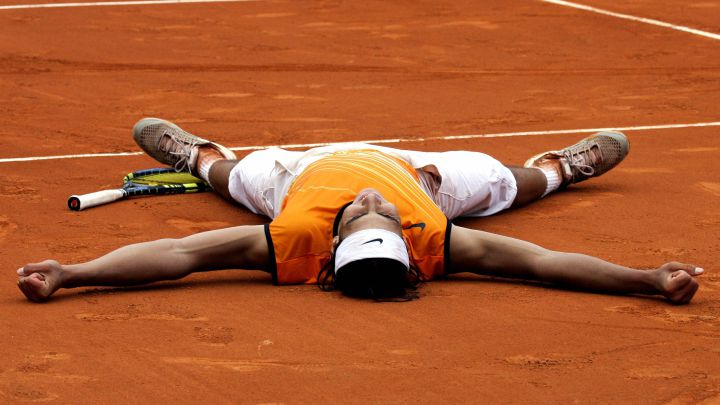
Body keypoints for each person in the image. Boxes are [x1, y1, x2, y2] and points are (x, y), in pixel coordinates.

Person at [16, 118, 703, 303]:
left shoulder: (293, 238)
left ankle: (196, 154)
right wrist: (647, 279)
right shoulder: (433, 236)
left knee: (234, 177)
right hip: (423, 178)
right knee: (504, 183)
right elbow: (547, 263)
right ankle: (562, 168)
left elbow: (179, 256)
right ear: (409, 245)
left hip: (298, 173)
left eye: (360, 214)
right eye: (383, 217)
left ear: (333, 241)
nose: (370, 202)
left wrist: (70, 272)